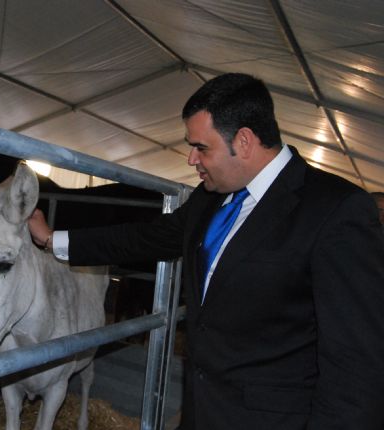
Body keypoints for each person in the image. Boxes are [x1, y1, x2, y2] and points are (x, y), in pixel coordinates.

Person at [29, 73, 384, 430]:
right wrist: (53, 239)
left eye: (201, 147)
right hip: (200, 413)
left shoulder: (334, 210)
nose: (191, 159)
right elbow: (146, 237)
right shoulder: (210, 198)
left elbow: (355, 366)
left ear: (244, 141)